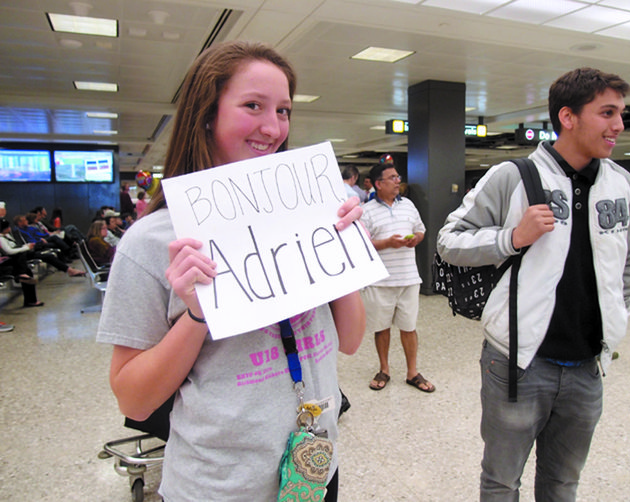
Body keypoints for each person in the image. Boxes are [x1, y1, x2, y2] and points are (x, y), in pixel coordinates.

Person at [97, 40, 365, 501]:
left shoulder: (306, 217)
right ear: (206, 114)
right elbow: (134, 399)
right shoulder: (151, 242)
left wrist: (344, 254)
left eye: (283, 110)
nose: (273, 126)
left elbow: (351, 341)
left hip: (313, 470)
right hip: (219, 487)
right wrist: (198, 315)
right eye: (253, 106)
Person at [437, 67, 630, 501]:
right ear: (568, 117)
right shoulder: (513, 177)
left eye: (621, 114)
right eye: (607, 113)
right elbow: (448, 243)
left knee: (563, 483)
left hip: (588, 367)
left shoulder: (620, 184)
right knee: (501, 481)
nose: (619, 125)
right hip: (517, 364)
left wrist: (617, 316)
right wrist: (512, 238)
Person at [360, 159, 435, 393]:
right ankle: (384, 369)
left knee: (409, 327)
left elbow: (421, 230)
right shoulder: (366, 211)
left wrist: (417, 239)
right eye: (392, 178)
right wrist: (386, 243)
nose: (397, 181)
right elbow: (361, 244)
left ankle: (412, 372)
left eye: (398, 177)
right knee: (381, 328)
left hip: (409, 279)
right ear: (378, 184)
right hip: (381, 281)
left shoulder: (409, 205)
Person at [0, 218, 43, 307]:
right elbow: (9, 251)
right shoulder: (1, 238)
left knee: (28, 272)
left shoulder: (7, 236)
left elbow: (14, 247)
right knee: (20, 255)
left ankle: (31, 300)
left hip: (14, 263)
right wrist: (26, 248)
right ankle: (20, 274)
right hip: (5, 265)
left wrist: (24, 247)